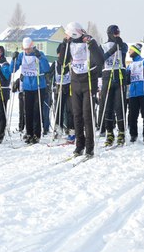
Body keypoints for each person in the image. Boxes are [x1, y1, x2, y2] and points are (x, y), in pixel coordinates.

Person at [59, 22, 104, 156]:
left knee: (87, 116)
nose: (67, 36)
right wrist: (64, 44)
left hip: (88, 82)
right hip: (75, 83)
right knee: (76, 115)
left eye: (68, 33)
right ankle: (80, 145)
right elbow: (62, 62)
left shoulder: (89, 42)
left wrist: (91, 43)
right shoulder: (69, 43)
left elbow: (100, 60)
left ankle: (90, 147)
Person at [12, 37, 50, 144]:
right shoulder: (21, 55)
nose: (27, 51)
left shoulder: (39, 53)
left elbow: (46, 68)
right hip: (27, 86)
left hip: (39, 86)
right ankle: (28, 133)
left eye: (28, 49)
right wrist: (13, 60)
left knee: (36, 111)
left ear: (32, 47)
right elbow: (13, 69)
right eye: (25, 49)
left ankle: (36, 134)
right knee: (27, 111)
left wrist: (40, 58)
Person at [99, 24, 128, 146]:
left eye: (118, 33)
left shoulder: (123, 45)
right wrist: (113, 50)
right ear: (110, 34)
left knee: (119, 106)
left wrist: (119, 45)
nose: (117, 35)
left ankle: (121, 132)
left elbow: (125, 51)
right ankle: (109, 133)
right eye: (115, 33)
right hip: (107, 77)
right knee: (108, 107)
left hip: (119, 76)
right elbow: (101, 59)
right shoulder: (103, 46)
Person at [125, 43, 144, 143]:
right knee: (132, 115)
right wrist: (126, 77)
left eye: (131, 50)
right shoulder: (130, 65)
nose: (129, 52)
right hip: (133, 93)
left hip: (143, 91)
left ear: (136, 51)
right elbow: (127, 80)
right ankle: (133, 134)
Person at [52, 43, 74, 141]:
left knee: (70, 110)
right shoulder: (56, 63)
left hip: (69, 88)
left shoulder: (71, 63)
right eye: (60, 54)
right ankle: (58, 130)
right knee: (59, 110)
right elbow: (48, 73)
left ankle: (71, 131)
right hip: (59, 88)